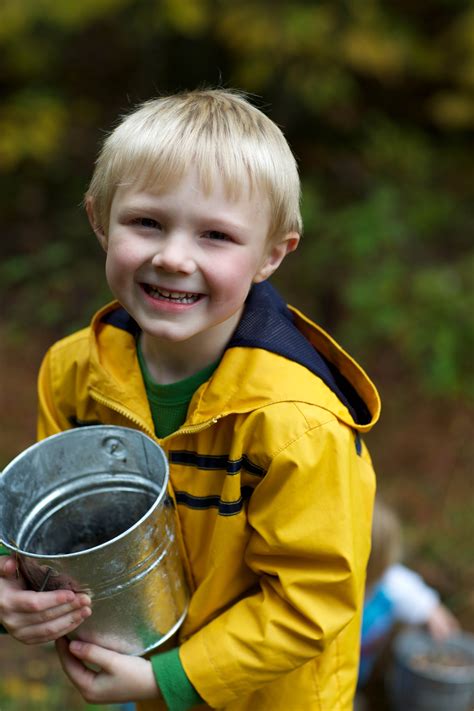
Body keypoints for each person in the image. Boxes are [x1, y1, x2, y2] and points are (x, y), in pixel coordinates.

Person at [0, 88, 381, 710]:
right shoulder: (74, 372)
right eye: (147, 222)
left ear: (270, 255)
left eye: (215, 236)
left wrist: (169, 680)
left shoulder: (295, 425)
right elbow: (48, 525)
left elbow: (312, 600)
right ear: (100, 219)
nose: (173, 257)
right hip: (135, 663)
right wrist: (13, 588)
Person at [358, 498, 460, 689]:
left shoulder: (389, 582)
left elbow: (422, 601)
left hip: (356, 674)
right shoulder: (328, 591)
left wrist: (433, 613)